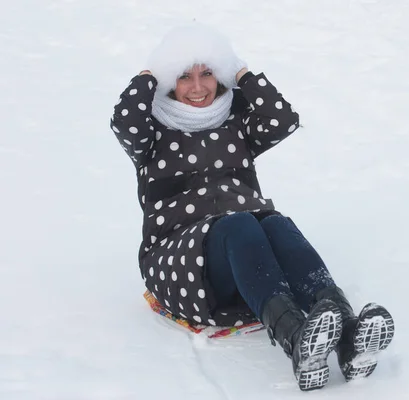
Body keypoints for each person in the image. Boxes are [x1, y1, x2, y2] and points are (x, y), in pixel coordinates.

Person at [110, 23, 394, 391]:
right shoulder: (152, 132)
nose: (198, 87)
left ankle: (349, 337)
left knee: (277, 225)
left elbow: (282, 119)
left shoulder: (235, 120)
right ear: (168, 83)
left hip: (246, 260)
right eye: (183, 77)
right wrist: (152, 70)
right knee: (239, 224)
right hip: (181, 263)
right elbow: (124, 121)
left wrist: (239, 69)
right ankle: (296, 339)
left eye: (208, 73)